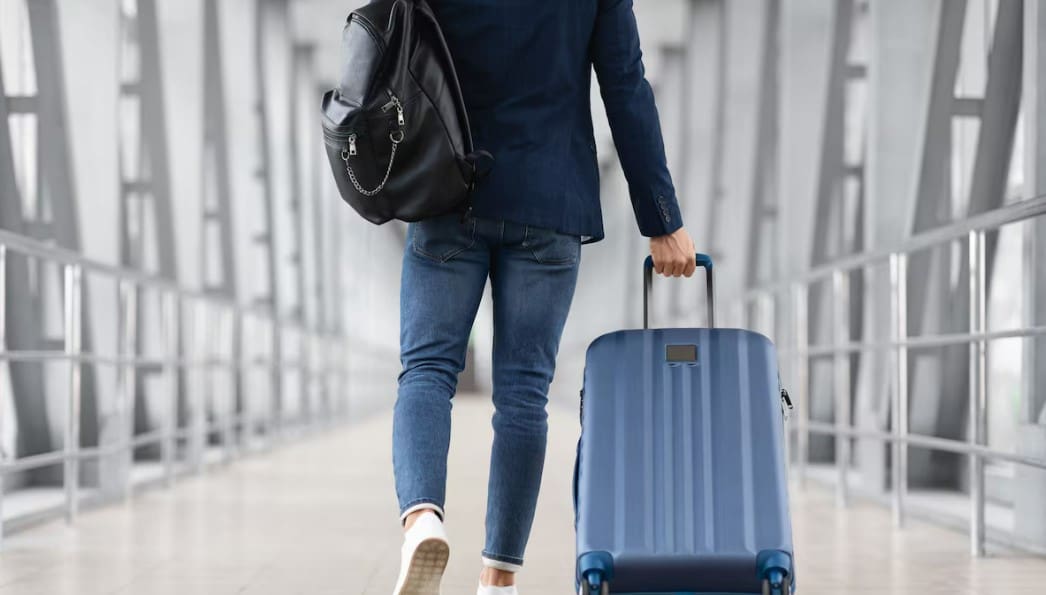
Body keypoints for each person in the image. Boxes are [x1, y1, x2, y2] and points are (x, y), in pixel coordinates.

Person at [391, 1, 696, 594]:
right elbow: (625, 85)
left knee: (427, 369)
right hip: (550, 199)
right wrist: (662, 219)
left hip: (448, 188)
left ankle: (423, 518)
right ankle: (498, 579)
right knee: (524, 394)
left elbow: (388, 35)